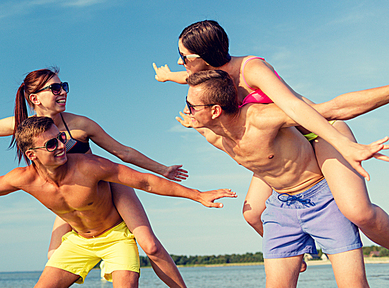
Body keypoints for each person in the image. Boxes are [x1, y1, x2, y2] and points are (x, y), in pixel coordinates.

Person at [0, 68, 188, 288]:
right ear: (35, 98)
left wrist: (161, 168)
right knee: (53, 258)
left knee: (149, 245)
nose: (62, 91)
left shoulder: (80, 124)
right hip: (69, 196)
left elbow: (122, 152)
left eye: (64, 86)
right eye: (55, 88)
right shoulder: (20, 126)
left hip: (107, 187)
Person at [0, 116, 236, 288]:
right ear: (32, 154)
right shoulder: (24, 178)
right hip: (77, 243)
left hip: (116, 237)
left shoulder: (89, 166)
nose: (61, 147)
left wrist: (197, 195)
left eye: (61, 139)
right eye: (52, 145)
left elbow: (144, 181)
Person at [153, 20, 389, 254]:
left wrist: (344, 145)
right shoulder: (211, 77)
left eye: (183, 57)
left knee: (358, 212)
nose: (179, 62)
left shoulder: (251, 70)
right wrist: (166, 77)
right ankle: (294, 254)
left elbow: (296, 107)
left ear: (203, 56)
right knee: (253, 214)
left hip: (319, 131)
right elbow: (186, 77)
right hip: (283, 145)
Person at [181, 70, 389, 287]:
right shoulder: (213, 134)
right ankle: (293, 253)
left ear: (215, 110)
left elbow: (333, 108)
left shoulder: (261, 118)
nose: (188, 110)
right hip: (281, 209)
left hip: (323, 200)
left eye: (192, 106)